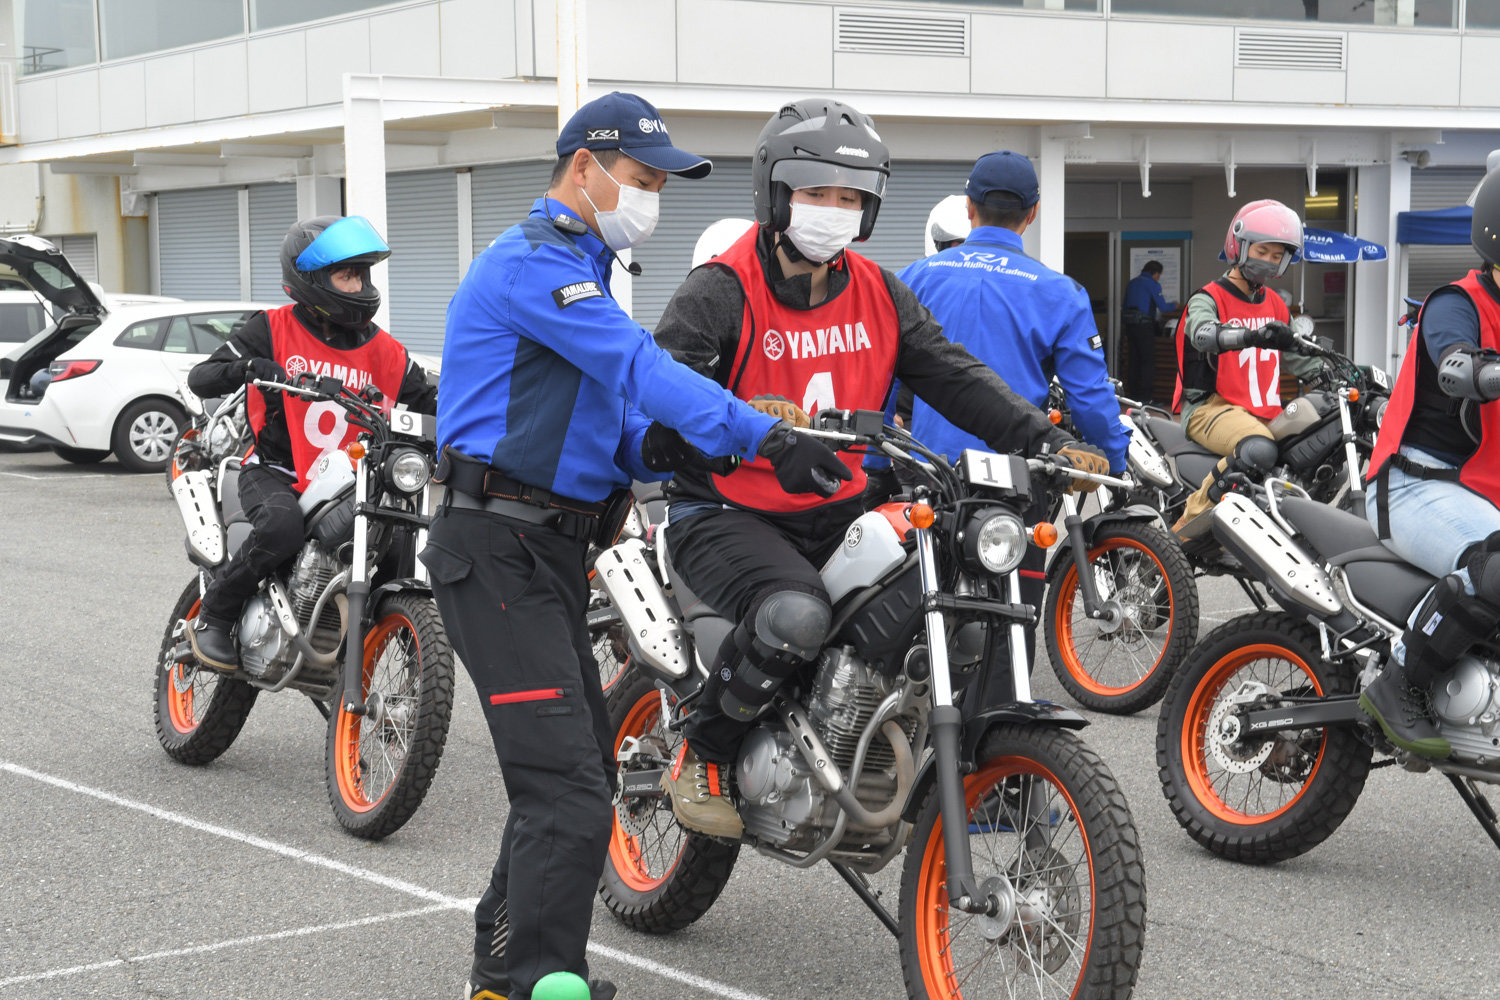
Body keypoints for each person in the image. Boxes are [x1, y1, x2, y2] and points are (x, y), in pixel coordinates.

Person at [425, 91, 846, 1000]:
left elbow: (620, 428)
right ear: (584, 167)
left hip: (544, 551)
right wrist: (757, 435)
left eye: (661, 182)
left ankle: (505, 971)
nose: (652, 196)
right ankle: (536, 984)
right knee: (567, 790)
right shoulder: (534, 264)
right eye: (643, 177)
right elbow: (641, 368)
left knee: (573, 774)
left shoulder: (586, 269)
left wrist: (685, 448)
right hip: (495, 546)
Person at [652, 98, 1107, 839]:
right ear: (776, 193)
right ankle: (703, 752)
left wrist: (1044, 442)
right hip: (731, 512)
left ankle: (894, 753)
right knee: (796, 615)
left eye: (850, 198)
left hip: (840, 507)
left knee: (949, 597)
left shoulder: (881, 292)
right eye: (816, 193)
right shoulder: (719, 291)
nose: (833, 210)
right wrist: (750, 433)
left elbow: (954, 375)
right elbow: (661, 403)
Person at [184, 215, 437, 669]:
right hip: (276, 472)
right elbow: (201, 378)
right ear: (312, 280)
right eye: (347, 275)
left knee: (404, 540)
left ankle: (412, 650)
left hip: (352, 483)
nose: (359, 287)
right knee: (281, 530)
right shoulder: (272, 328)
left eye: (362, 275)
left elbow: (432, 401)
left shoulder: (384, 349)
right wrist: (249, 369)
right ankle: (215, 618)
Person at [1357, 165, 1500, 759]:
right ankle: (1400, 685)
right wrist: (1479, 369)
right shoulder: (1455, 302)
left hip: (1481, 494)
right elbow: (1455, 365)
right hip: (1414, 481)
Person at [1170, 198, 1318, 540]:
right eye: (1262, 251)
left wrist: (1346, 370)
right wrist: (1249, 335)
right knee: (1259, 449)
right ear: (1240, 246)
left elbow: (1300, 357)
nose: (1268, 261)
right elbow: (1203, 333)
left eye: (1276, 255)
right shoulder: (1208, 298)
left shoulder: (1276, 304)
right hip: (1211, 407)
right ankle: (1185, 526)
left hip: (1264, 412)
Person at [1120, 259, 1178, 403]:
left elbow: (1125, 305)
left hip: (1130, 326)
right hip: (1144, 327)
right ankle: (1145, 398)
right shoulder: (1152, 284)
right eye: (1159, 275)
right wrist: (1174, 305)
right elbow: (1163, 307)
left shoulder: (1132, 283)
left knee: (1133, 360)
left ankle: (1132, 395)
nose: (1158, 278)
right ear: (1155, 273)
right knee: (1147, 362)